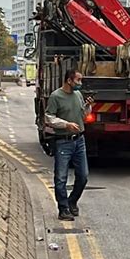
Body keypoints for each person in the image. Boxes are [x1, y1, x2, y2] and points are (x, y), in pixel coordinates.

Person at [45, 68, 93, 221]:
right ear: (69, 80)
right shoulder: (56, 96)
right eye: (78, 80)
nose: (80, 84)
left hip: (79, 140)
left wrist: (87, 106)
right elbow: (48, 118)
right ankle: (63, 208)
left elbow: (83, 115)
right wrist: (66, 125)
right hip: (63, 142)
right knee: (61, 177)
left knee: (83, 176)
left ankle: (72, 201)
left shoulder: (78, 95)